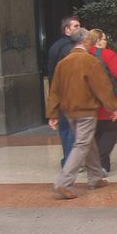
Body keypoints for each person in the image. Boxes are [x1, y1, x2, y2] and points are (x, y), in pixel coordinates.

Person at [46, 27, 117, 199]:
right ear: (85, 41)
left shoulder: (63, 63)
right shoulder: (90, 61)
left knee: (87, 142)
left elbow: (55, 90)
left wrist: (53, 114)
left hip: (69, 111)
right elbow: (102, 87)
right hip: (86, 110)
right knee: (81, 144)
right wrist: (112, 107)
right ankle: (64, 182)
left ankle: (95, 177)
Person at [88, 29, 117, 175]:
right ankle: (99, 163)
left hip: (89, 101)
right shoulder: (108, 54)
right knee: (111, 130)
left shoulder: (84, 54)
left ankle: (103, 165)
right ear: (98, 40)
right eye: (104, 39)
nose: (105, 42)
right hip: (109, 100)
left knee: (96, 133)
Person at [47, 15, 81, 165]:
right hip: (70, 95)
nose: (79, 29)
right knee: (73, 130)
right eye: (76, 26)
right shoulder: (71, 49)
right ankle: (70, 162)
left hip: (60, 93)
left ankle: (67, 160)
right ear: (67, 30)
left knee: (65, 129)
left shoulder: (55, 46)